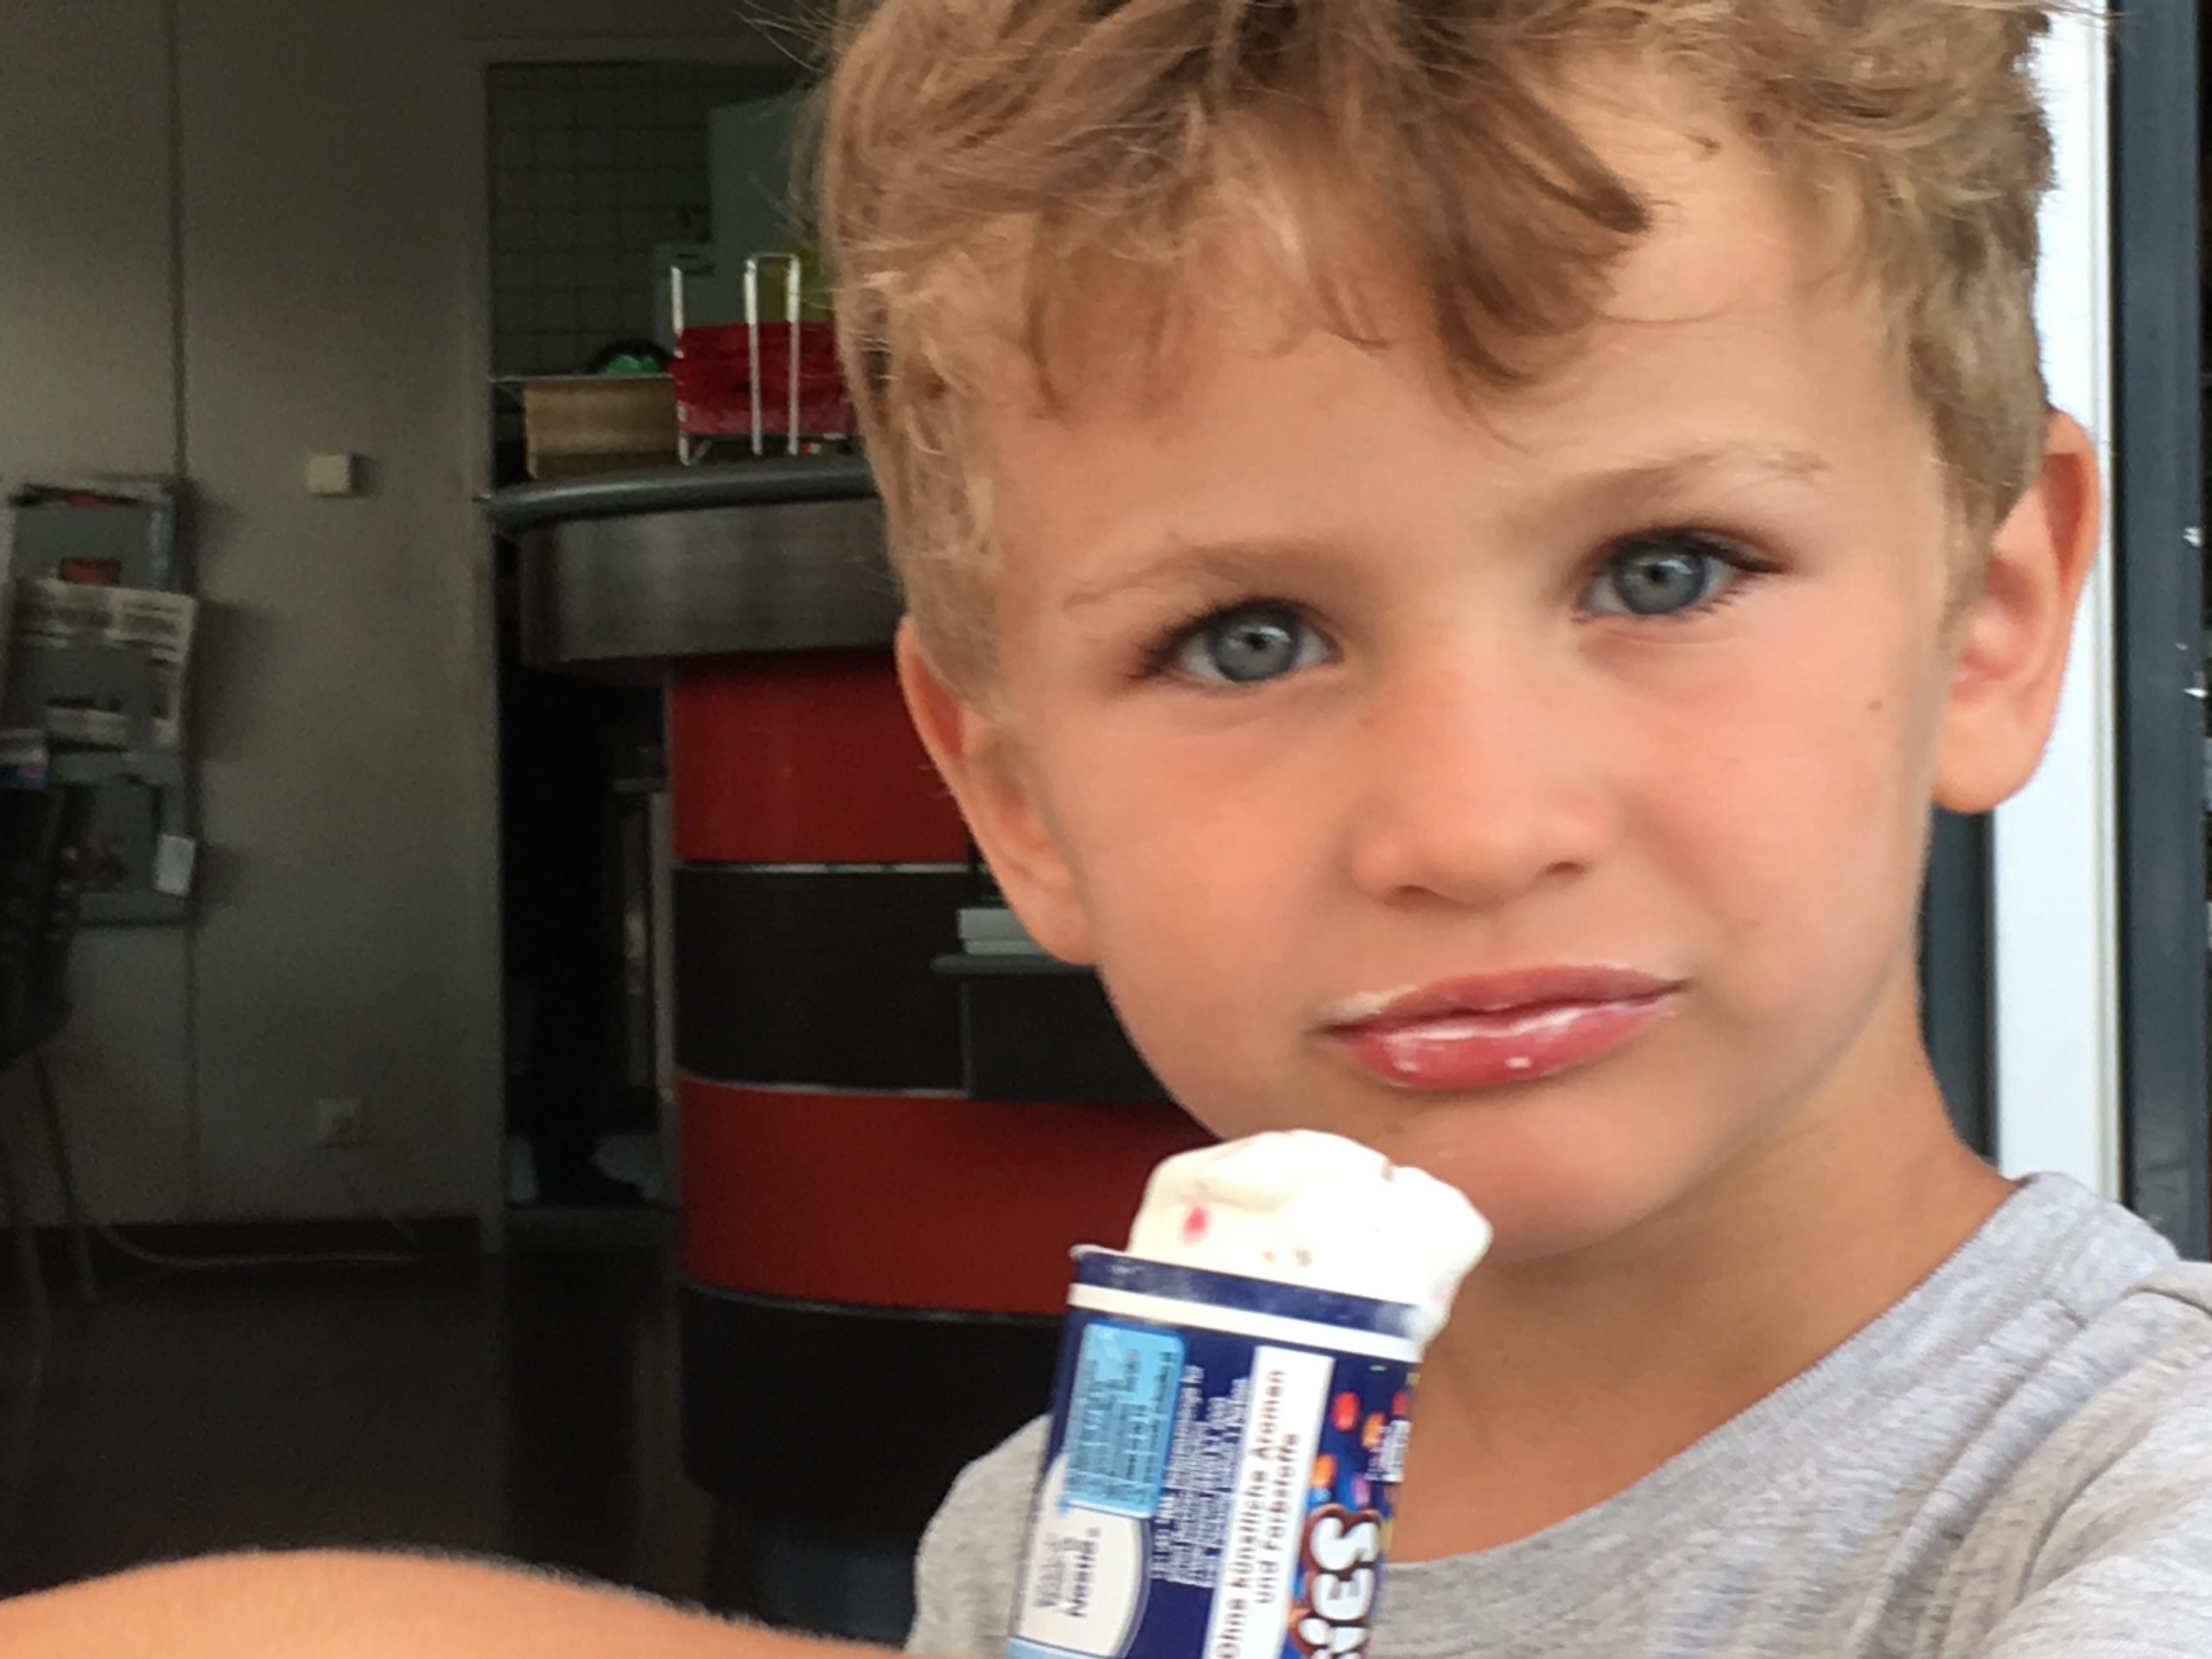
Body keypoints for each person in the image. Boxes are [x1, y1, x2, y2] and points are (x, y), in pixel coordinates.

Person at [5, 0, 2208, 1654]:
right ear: (1011, 796)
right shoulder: (1069, 1524)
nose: (1468, 826)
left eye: (1663, 569)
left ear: (1989, 619)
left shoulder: (2131, 1513)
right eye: (1245, 639)